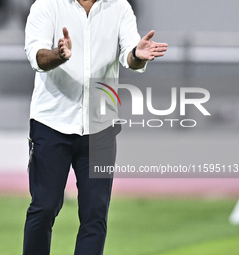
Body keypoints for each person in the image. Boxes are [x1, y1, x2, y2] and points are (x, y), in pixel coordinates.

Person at [23, 0, 168, 254]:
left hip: (100, 128)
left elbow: (129, 55)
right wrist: (59, 55)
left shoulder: (119, 7)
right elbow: (36, 56)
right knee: (44, 207)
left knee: (95, 214)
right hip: (51, 124)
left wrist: (137, 55)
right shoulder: (47, 5)